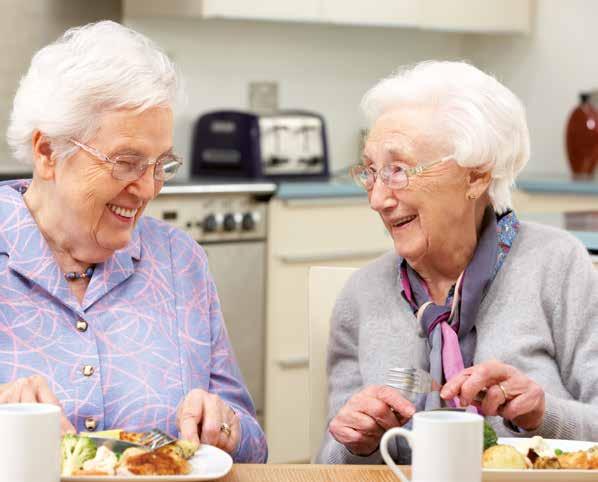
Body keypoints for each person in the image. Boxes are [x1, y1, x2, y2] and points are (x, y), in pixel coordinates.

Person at [0, 21, 267, 462]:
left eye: (160, 164)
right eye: (125, 163)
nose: (147, 189)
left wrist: (226, 425)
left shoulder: (180, 262)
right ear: (47, 153)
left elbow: (252, 445)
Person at [317, 61, 598, 464]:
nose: (377, 199)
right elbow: (328, 463)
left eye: (398, 170)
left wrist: (544, 414)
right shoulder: (361, 296)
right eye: (372, 172)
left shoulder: (557, 266)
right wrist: (354, 442)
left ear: (476, 177)